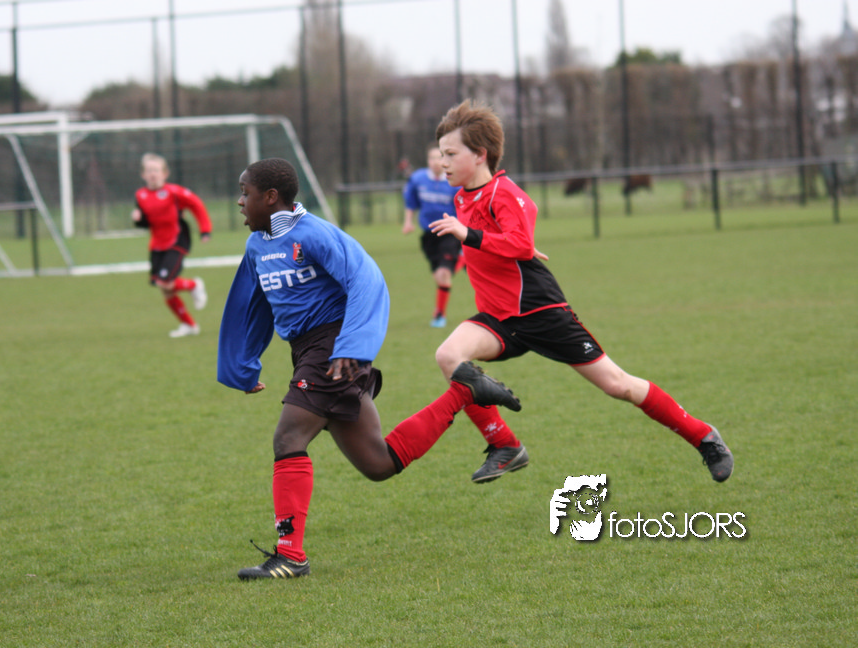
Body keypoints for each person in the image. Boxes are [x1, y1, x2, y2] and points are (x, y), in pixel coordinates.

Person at [217, 158, 521, 580]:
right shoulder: (257, 246)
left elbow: (366, 279)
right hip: (307, 352)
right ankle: (465, 393)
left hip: (333, 349)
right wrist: (241, 366)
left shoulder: (314, 234)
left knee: (288, 438)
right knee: (379, 464)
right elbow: (250, 306)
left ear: (270, 197)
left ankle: (290, 556)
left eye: (245, 193)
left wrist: (353, 347)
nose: (240, 202)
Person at [427, 100, 734, 484]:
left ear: (480, 154)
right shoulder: (462, 197)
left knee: (617, 385)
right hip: (499, 318)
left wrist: (478, 237)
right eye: (441, 154)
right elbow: (507, 242)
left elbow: (519, 241)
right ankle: (505, 445)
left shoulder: (504, 191)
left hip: (539, 311)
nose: (443, 163)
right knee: (449, 356)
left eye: (451, 154)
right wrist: (496, 243)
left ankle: (704, 437)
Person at [131, 152, 212, 338]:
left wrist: (205, 229)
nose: (153, 174)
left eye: (156, 170)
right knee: (165, 289)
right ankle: (189, 325)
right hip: (157, 244)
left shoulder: (174, 192)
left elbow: (196, 205)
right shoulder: (140, 195)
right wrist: (138, 220)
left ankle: (193, 285)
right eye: (149, 170)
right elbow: (146, 222)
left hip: (177, 239)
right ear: (143, 174)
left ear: (165, 173)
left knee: (165, 282)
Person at [402, 146, 462, 328]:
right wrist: (408, 222)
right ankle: (461, 259)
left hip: (449, 234)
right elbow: (411, 203)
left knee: (444, 274)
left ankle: (439, 315)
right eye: (432, 158)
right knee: (439, 277)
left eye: (439, 158)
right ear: (428, 161)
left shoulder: (454, 182)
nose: (436, 162)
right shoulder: (418, 179)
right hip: (429, 236)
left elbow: (463, 208)